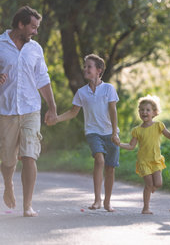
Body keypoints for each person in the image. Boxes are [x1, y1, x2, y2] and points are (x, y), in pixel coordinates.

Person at [0, 6, 57, 217]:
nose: (35, 32)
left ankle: (27, 205)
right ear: (20, 24)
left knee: (30, 155)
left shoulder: (35, 49)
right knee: (8, 160)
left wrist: (52, 107)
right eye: (33, 26)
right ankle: (8, 183)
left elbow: (42, 78)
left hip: (31, 108)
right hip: (5, 110)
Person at [48, 54, 120, 212]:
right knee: (99, 160)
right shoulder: (81, 92)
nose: (85, 69)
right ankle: (97, 200)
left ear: (99, 70)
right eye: (85, 66)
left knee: (110, 168)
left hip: (110, 133)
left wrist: (114, 133)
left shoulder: (109, 89)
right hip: (93, 132)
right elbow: (73, 112)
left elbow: (113, 111)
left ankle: (107, 201)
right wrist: (57, 119)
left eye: (89, 66)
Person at [116, 95, 170, 214]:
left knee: (158, 183)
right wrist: (119, 143)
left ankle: (151, 189)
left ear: (154, 112)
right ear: (139, 112)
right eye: (141, 110)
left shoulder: (158, 126)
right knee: (149, 184)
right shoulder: (137, 130)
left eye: (147, 110)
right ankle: (145, 208)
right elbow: (131, 146)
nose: (144, 112)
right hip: (143, 161)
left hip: (156, 160)